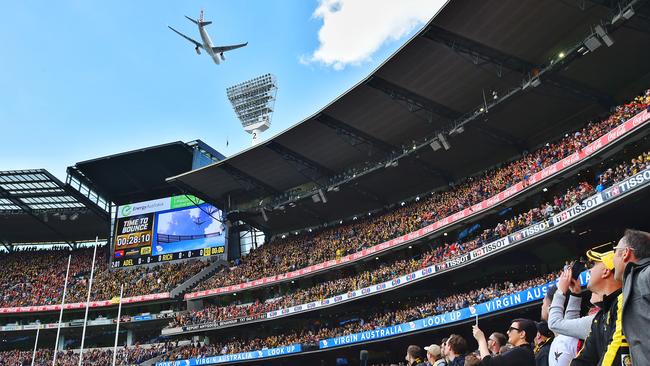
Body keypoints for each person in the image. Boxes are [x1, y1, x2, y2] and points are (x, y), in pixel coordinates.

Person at [571, 246, 629, 365]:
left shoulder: (624, 301)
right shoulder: (600, 316)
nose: (589, 270)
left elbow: (617, 352)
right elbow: (584, 359)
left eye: (594, 265)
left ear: (606, 271)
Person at [613, 229, 650, 365]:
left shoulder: (645, 276)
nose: (613, 258)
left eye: (615, 251)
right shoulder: (635, 281)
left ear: (626, 253)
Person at [548, 268, 596, 340]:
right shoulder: (604, 315)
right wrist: (575, 294)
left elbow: (554, 323)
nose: (589, 270)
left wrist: (560, 291)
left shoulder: (598, 319)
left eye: (595, 264)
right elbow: (569, 327)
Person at [541, 284, 578, 366]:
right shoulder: (572, 333)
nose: (542, 306)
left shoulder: (562, 341)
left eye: (543, 303)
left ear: (550, 308)